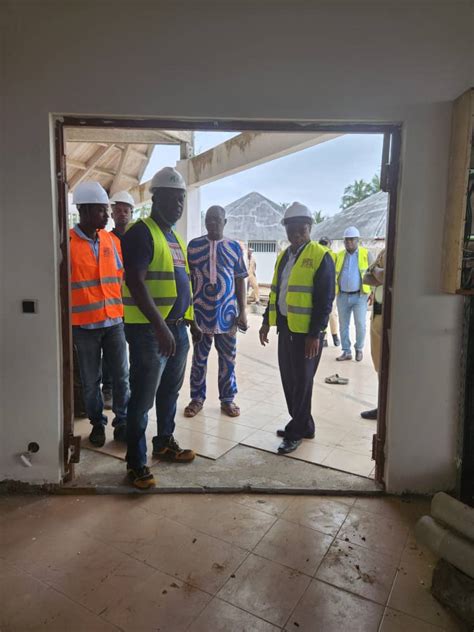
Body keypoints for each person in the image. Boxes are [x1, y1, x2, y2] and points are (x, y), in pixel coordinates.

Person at [121, 167, 201, 489]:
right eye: (173, 197)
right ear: (157, 198)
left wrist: (189, 321)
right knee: (142, 398)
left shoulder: (174, 237)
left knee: (170, 391)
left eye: (182, 198)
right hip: (151, 334)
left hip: (177, 331)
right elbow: (136, 284)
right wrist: (160, 328)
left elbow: (182, 285)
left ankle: (164, 443)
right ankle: (136, 463)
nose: (179, 204)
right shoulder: (141, 233)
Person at [259, 202, 335, 454]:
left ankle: (296, 431)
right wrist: (265, 323)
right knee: (290, 380)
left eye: (301, 228)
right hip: (286, 329)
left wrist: (315, 334)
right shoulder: (284, 256)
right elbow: (275, 293)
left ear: (309, 227)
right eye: (291, 229)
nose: (296, 233)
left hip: (307, 335)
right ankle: (306, 425)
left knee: (301, 382)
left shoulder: (321, 256)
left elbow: (325, 300)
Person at [70, 181, 130, 446]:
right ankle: (97, 424)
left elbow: (119, 277)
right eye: (101, 211)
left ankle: (123, 421)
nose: (108, 216)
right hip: (84, 327)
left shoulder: (111, 240)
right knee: (91, 381)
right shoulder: (67, 243)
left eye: (107, 211)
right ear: (84, 211)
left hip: (114, 321)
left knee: (121, 375)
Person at [184, 206, 248, 418]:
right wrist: (188, 314)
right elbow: (187, 282)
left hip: (228, 315)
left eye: (217, 220)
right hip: (200, 315)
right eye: (209, 220)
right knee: (199, 359)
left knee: (228, 359)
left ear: (224, 222)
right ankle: (197, 398)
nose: (212, 224)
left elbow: (240, 279)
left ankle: (227, 400)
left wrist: (243, 312)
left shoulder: (234, 247)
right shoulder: (193, 247)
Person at [101, 190, 134, 410]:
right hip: (112, 304)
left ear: (132, 213)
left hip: (135, 305)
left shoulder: (137, 237)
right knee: (112, 350)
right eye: (118, 210)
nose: (122, 214)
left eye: (126, 210)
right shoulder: (107, 239)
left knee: (133, 350)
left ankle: (127, 388)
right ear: (112, 213)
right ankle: (108, 389)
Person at [335, 226, 372, 362]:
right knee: (343, 325)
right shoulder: (339, 255)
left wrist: (373, 292)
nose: (349, 242)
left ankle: (359, 348)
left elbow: (373, 273)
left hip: (360, 296)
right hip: (342, 296)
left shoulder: (365, 254)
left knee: (360, 324)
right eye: (346, 240)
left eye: (351, 240)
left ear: (357, 240)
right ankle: (346, 351)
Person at [360, 248, 385, 420]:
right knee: (379, 365)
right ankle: (382, 406)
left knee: (390, 366)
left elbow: (386, 277)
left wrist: (376, 271)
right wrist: (378, 274)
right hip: (377, 314)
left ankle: (388, 409)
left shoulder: (403, 249)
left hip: (392, 317)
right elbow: (366, 277)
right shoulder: (384, 252)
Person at [318, 237, 340, 348]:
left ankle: (334, 335)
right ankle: (324, 338)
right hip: (320, 290)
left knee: (331, 313)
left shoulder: (334, 256)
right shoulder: (317, 255)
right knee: (324, 313)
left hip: (332, 290)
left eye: (325, 243)